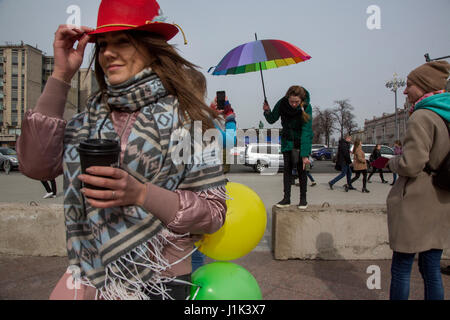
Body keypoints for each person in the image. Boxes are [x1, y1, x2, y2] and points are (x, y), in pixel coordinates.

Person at [17, 0, 228, 300]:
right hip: (91, 277)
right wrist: (62, 74)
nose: (108, 53)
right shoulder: (86, 119)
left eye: (122, 42)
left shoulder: (189, 121)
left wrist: (141, 194)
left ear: (151, 47)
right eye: (102, 44)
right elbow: (35, 166)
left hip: (160, 280)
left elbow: (213, 213)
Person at [386, 60, 450, 300]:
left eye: (409, 85)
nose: (404, 90)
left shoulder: (422, 116)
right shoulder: (446, 113)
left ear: (423, 87)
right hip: (442, 200)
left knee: (401, 268)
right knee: (431, 268)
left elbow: (411, 165)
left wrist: (391, 162)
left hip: (416, 202)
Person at [185, 68, 237, 273]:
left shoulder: (167, 114)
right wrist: (230, 118)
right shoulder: (205, 119)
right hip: (201, 192)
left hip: (172, 193)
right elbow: (230, 141)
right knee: (196, 250)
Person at [263, 86, 313, 209]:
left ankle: (303, 199)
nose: (294, 104)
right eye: (291, 101)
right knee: (287, 170)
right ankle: (286, 199)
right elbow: (271, 119)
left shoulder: (307, 107)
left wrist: (305, 155)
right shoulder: (282, 103)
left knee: (303, 170)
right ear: (287, 98)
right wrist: (267, 111)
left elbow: (307, 131)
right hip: (287, 142)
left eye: (297, 102)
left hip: (302, 142)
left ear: (301, 99)